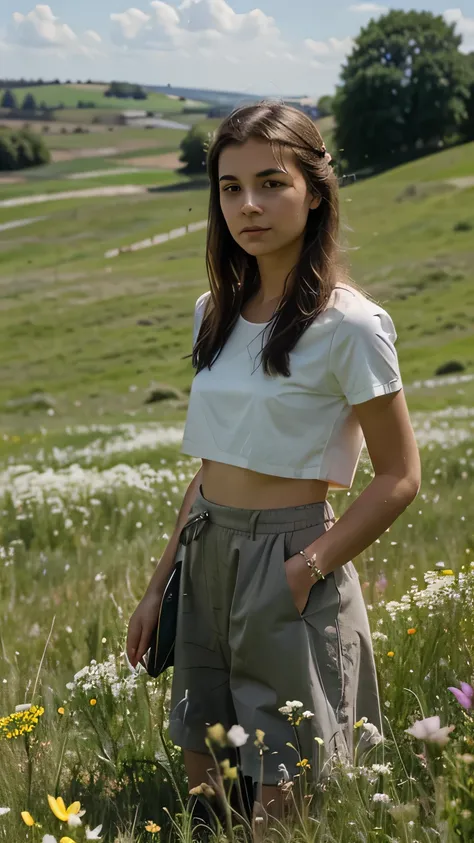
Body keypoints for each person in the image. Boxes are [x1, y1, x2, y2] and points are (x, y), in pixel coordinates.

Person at [127, 100, 421, 828]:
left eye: (270, 183)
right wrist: (159, 584)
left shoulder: (349, 323)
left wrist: (306, 566)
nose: (248, 205)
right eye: (230, 188)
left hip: (289, 556)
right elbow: (208, 467)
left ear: (314, 190)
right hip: (206, 555)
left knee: (280, 795)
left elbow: (399, 475)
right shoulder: (214, 311)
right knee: (206, 781)